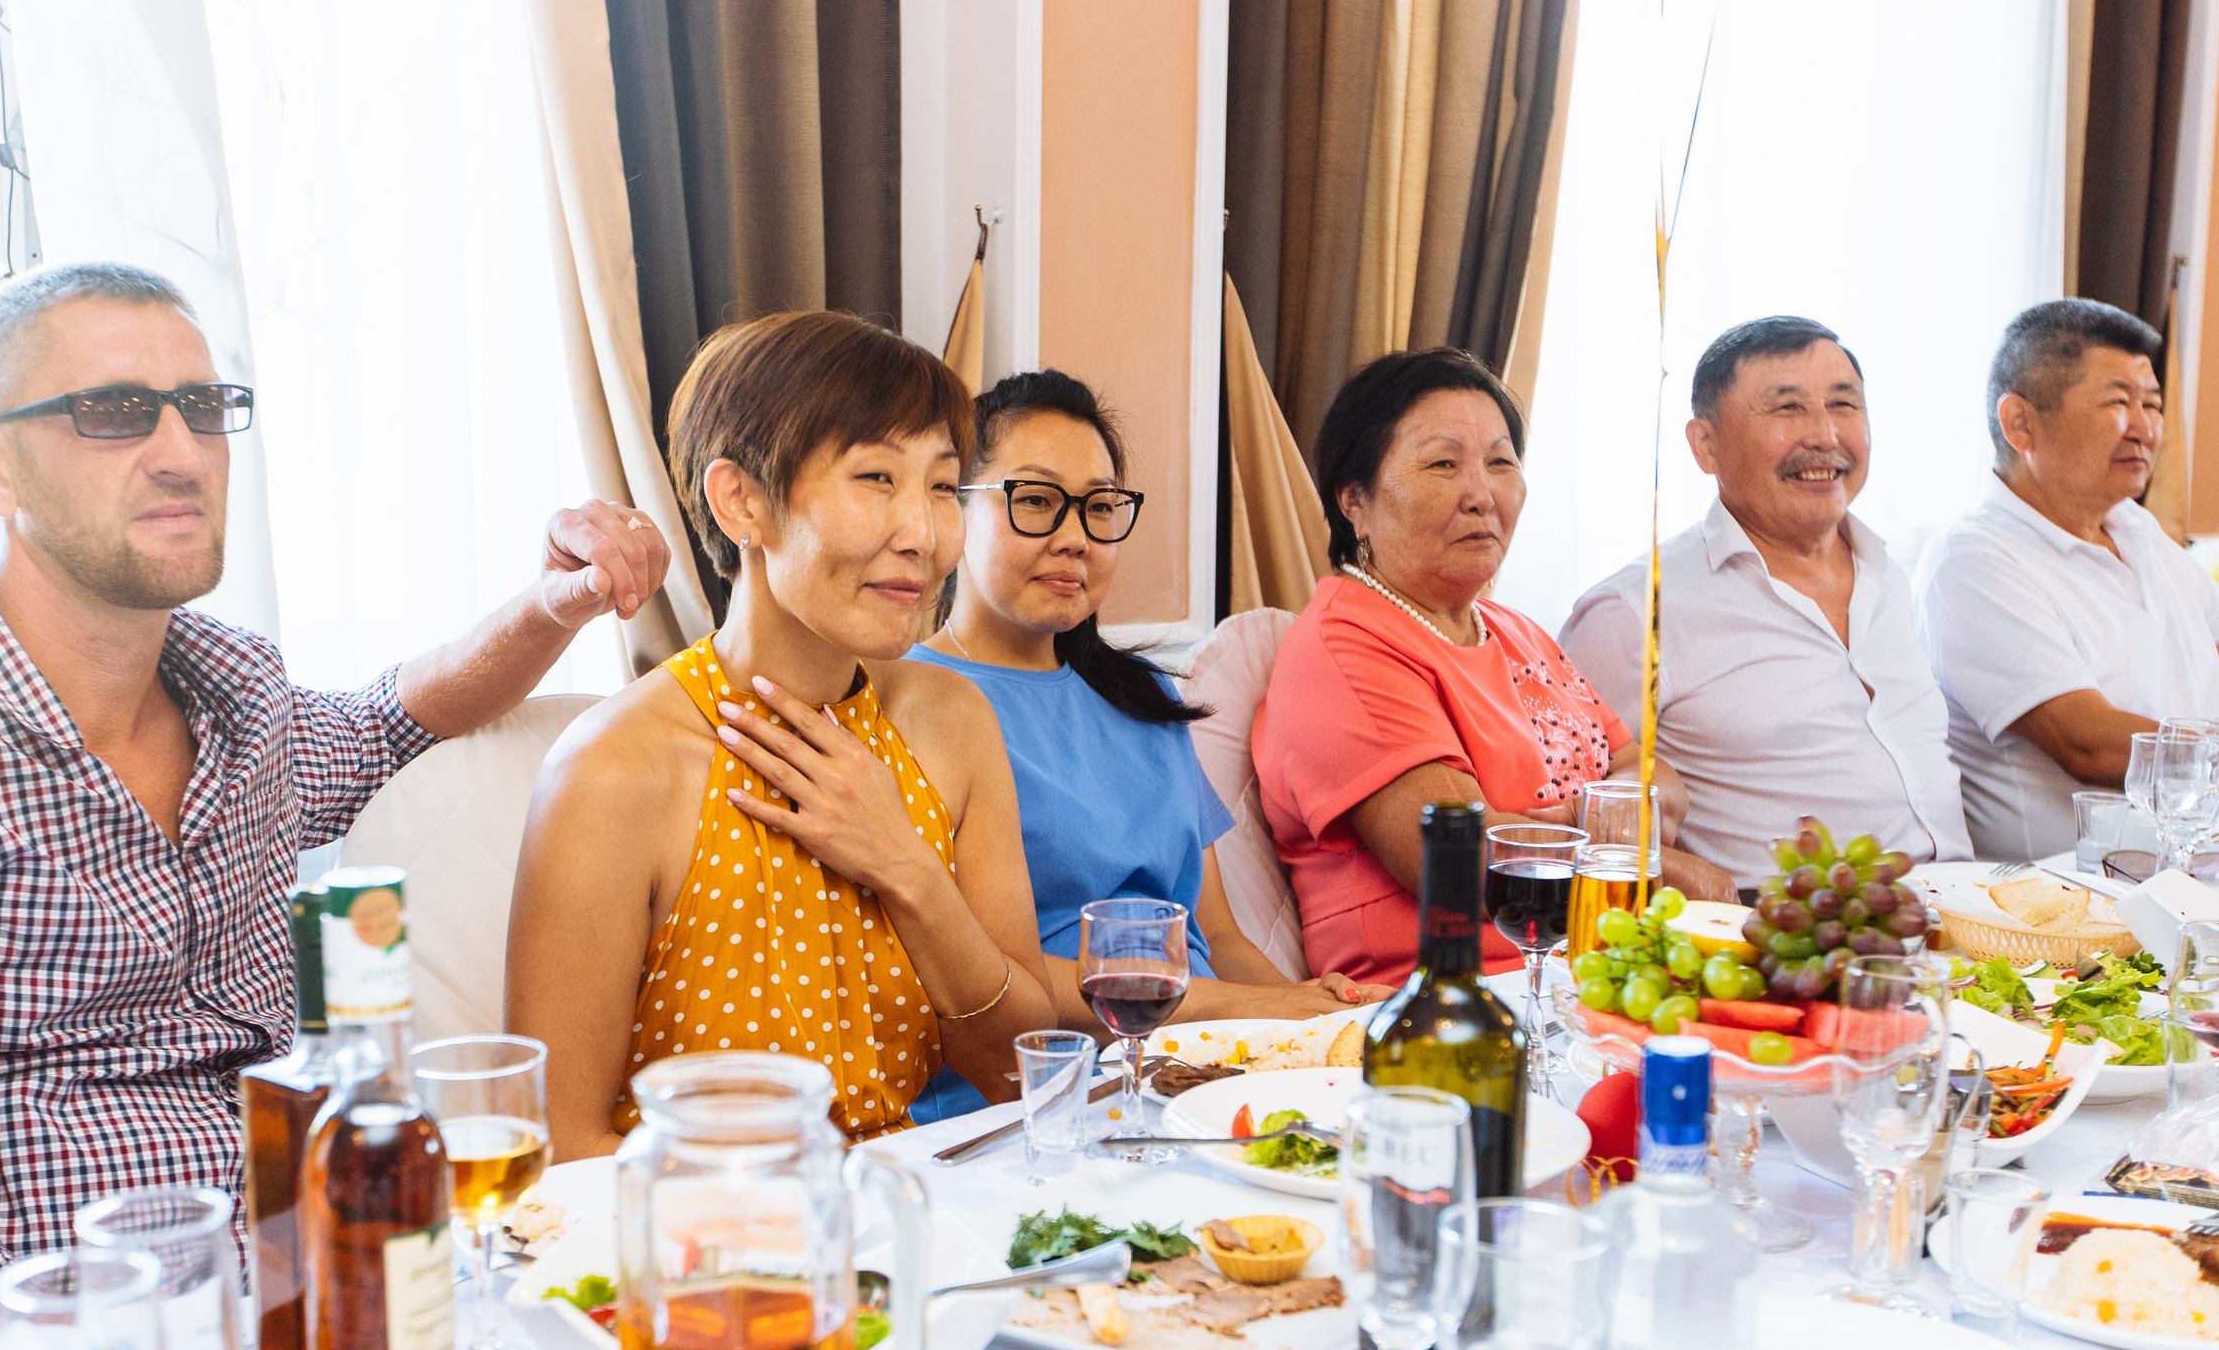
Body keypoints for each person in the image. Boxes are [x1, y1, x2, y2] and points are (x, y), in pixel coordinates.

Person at [0, 262, 670, 1342]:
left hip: (302, 1319)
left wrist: (553, 605)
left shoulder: (231, 697)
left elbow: (388, 721)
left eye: (204, 408)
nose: (182, 452)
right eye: (113, 413)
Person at [505, 311, 1058, 1158]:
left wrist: (903, 863)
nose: (922, 533)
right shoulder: (614, 767)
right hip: (695, 1248)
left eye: (943, 487)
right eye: (876, 477)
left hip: (906, 1227)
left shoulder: (952, 723)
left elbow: (1021, 1073)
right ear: (743, 502)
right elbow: (559, 1145)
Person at [903, 370, 1383, 1121]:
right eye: (1033, 501)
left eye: (1099, 508)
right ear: (955, 507)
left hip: (1197, 1071)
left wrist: (1310, 1016)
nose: (1073, 537)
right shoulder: (913, 702)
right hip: (1038, 1093)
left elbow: (1216, 932)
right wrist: (1260, 1009)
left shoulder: (1147, 699)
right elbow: (994, 979)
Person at [1253, 347, 1730, 990]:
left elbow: (1657, 782)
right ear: (1354, 502)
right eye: (1442, 463)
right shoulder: (1346, 646)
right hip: (1459, 1002)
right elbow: (1463, 859)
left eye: (1501, 462)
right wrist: (1653, 862)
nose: (1482, 495)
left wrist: (1574, 827)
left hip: (1605, 972)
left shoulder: (1516, 630)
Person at [1561, 317, 1970, 889]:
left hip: (1968, 917)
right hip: (1782, 945)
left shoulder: (1888, 574)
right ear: (1706, 445)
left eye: (1843, 404)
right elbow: (1574, 817)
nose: (1825, 434)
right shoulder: (1633, 611)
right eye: (1788, 408)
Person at [1916, 298, 2219, 859]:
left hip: (2192, 888)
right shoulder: (1973, 561)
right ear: (2020, 423)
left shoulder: (2148, 540)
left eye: (2152, 404)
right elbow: (2089, 744)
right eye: (2118, 402)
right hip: (2063, 908)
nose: (2146, 428)